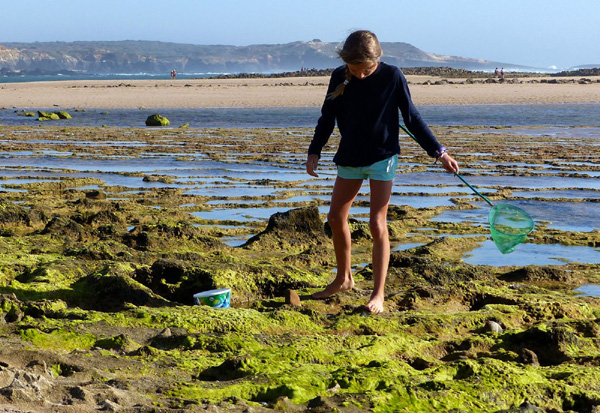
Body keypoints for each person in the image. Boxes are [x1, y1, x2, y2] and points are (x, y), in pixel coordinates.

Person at [305, 30, 459, 314]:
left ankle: (378, 294)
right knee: (335, 218)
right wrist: (315, 150)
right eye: (355, 70)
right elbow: (327, 117)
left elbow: (412, 117)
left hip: (383, 157)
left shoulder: (392, 76)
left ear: (377, 60)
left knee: (377, 224)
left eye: (366, 70)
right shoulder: (339, 76)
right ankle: (344, 278)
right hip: (350, 155)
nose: (360, 75)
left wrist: (440, 152)